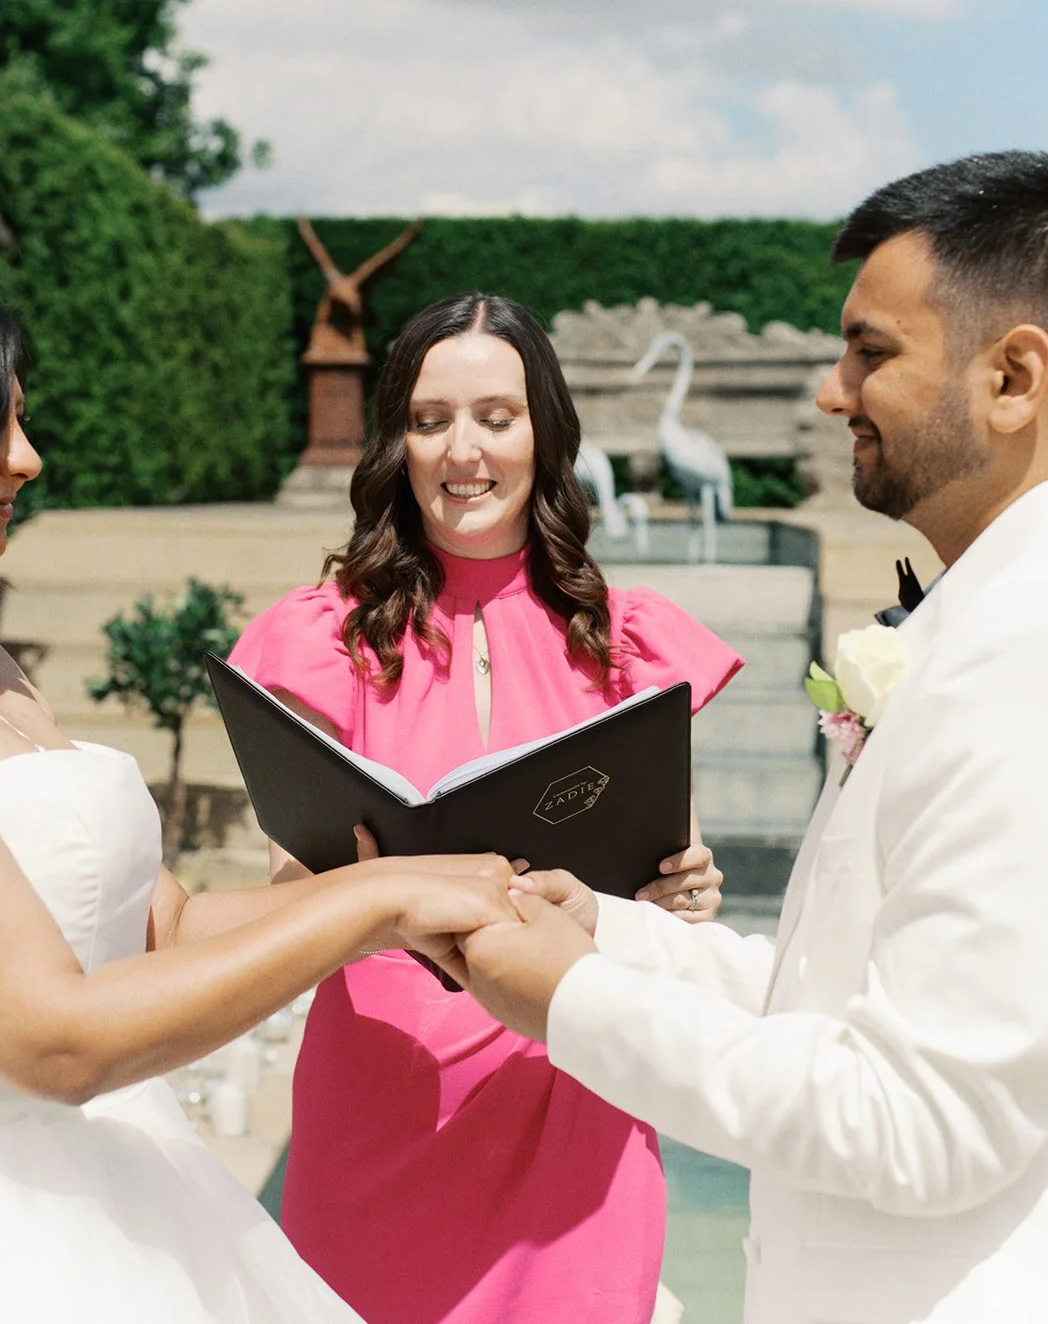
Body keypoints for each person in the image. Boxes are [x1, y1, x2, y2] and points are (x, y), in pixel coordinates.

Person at [0, 252, 521, 1324]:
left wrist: (421, 881)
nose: (29, 457)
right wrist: (375, 902)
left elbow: (169, 923)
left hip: (110, 1181)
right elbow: (51, 1038)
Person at [450, 151, 1048, 1324]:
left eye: (870, 352)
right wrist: (614, 938)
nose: (832, 392)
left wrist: (572, 1000)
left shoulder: (1021, 660)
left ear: (1014, 377)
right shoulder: (982, 617)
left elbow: (926, 1118)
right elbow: (847, 994)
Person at [230, 292, 742, 1324]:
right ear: (397, 441)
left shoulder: (632, 643)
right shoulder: (319, 642)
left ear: (543, 431)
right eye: (430, 420)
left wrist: (685, 885)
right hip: (381, 1099)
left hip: (576, 1080)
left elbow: (666, 883)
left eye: (496, 416)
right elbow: (285, 895)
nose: (463, 449)